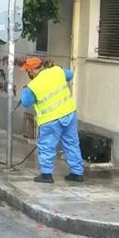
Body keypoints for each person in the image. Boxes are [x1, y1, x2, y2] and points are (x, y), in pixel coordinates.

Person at [19, 56, 84, 184]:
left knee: (46, 146)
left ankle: (46, 175)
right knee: (71, 143)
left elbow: (26, 102)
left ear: (31, 71)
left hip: (51, 119)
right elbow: (70, 75)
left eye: (27, 71)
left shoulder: (33, 86)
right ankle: (77, 173)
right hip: (69, 113)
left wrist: (26, 90)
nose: (28, 74)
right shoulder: (57, 71)